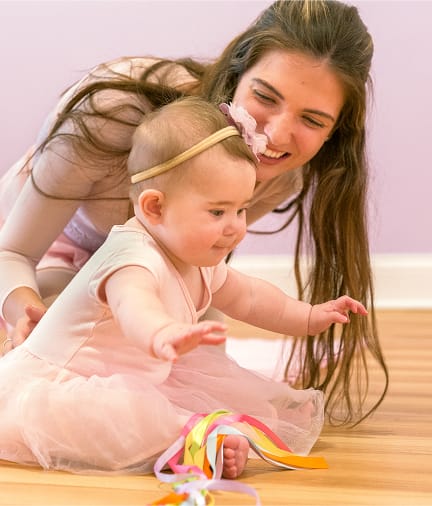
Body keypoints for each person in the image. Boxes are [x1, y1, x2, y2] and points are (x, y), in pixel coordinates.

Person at [0, 0, 388, 424]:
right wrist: (23, 311)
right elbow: (13, 252)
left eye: (312, 120)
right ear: (235, 75)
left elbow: (207, 273)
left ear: (335, 132)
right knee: (65, 353)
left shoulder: (281, 175)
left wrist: (303, 316)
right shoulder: (112, 114)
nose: (275, 135)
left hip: (146, 271)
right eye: (264, 96)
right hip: (40, 252)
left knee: (201, 359)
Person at [0, 97, 368, 476]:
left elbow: (250, 297)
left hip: (139, 378)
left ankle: (210, 433)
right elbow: (134, 304)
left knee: (217, 398)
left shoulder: (196, 257)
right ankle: (193, 439)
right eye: (218, 211)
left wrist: (307, 315)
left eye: (241, 209)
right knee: (127, 419)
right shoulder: (131, 257)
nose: (235, 226)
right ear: (155, 208)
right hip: (67, 387)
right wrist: (162, 332)